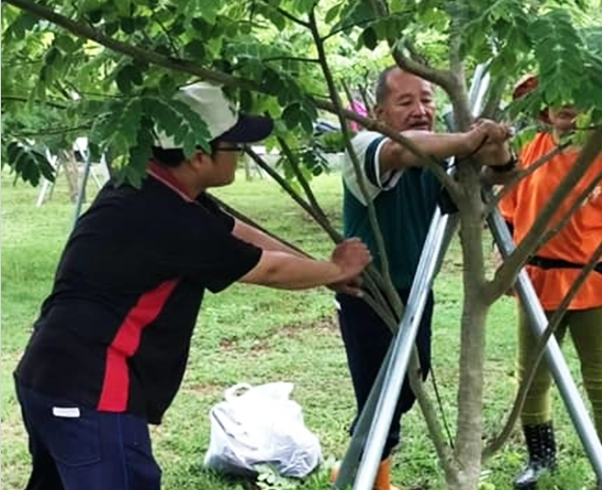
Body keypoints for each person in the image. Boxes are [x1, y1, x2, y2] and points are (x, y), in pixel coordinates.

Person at [13, 81, 372, 490]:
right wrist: (335, 269)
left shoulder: (147, 185)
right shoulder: (169, 218)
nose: (242, 154)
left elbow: (239, 233)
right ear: (198, 153)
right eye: (235, 146)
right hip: (91, 390)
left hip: (50, 378)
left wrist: (323, 270)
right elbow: (265, 270)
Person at [334, 66, 516, 489]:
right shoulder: (364, 148)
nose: (420, 110)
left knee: (410, 385)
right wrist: (472, 139)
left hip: (418, 290)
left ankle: (365, 473)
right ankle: (359, 480)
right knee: (379, 398)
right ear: (379, 114)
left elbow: (496, 176)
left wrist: (498, 150)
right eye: (406, 102)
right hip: (370, 295)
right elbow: (402, 151)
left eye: (427, 100)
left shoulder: (439, 155)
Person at [499, 75, 602, 489]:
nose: (566, 104)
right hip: (537, 285)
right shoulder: (530, 151)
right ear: (542, 106)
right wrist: (507, 269)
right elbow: (508, 215)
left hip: (596, 285)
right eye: (555, 95)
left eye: (576, 95)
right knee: (531, 378)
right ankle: (541, 461)